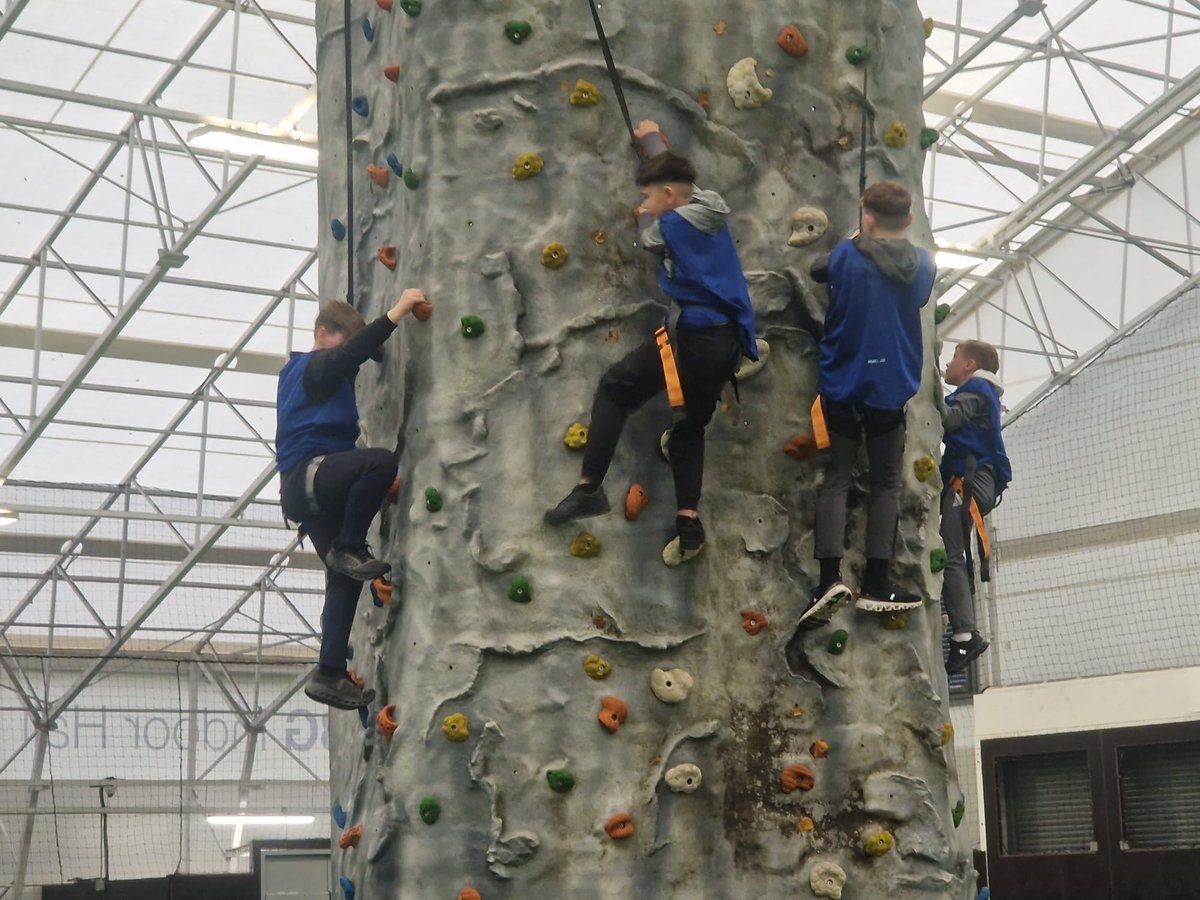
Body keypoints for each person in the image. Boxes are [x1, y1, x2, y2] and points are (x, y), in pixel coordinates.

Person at [544, 120, 758, 567]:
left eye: (649, 196)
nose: (644, 203)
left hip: (694, 337)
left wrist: (645, 214)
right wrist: (652, 141)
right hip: (725, 343)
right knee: (689, 426)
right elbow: (677, 183)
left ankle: (588, 487)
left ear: (670, 199)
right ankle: (688, 520)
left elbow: (649, 234)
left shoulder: (675, 225)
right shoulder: (708, 209)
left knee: (616, 388)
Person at [275, 290, 427, 709]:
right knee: (378, 463)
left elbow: (357, 353)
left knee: (343, 582)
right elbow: (347, 357)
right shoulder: (312, 366)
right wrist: (396, 313)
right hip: (312, 473)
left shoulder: (307, 376)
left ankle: (330, 672)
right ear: (322, 334)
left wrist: (375, 349)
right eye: (343, 341)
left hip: (305, 494)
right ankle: (349, 546)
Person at [798, 181, 935, 627]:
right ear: (910, 220)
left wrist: (856, 238)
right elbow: (913, 295)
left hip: (842, 382)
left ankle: (828, 581)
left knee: (835, 479)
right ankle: (877, 581)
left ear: (867, 218)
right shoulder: (923, 266)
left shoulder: (846, 256)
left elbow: (820, 270)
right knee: (886, 485)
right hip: (889, 387)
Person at [941, 339, 1011, 675]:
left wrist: (922, 394)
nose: (948, 363)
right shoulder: (984, 392)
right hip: (972, 481)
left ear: (969, 364)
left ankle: (965, 634)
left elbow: (951, 420)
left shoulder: (977, 388)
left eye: (954, 357)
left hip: (968, 480)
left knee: (951, 552)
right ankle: (964, 631)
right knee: (953, 552)